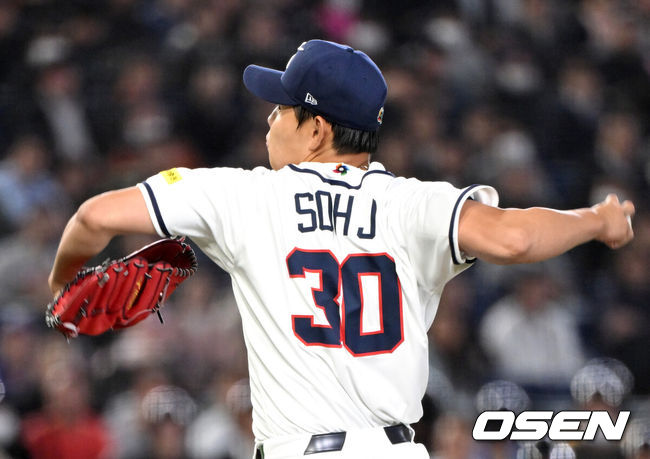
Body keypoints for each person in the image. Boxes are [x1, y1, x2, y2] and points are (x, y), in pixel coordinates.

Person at [48, 39, 635, 459]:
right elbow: (516, 236)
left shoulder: (244, 196)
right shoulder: (413, 204)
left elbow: (93, 216)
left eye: (282, 108)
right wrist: (598, 219)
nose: (270, 119)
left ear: (316, 130)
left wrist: (62, 285)